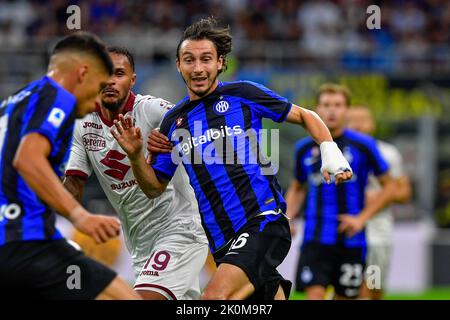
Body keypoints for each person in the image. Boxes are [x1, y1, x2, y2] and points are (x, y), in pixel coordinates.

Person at [111, 17, 353, 300]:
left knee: (212, 299)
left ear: (220, 63)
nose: (198, 68)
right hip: (222, 241)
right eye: (189, 60)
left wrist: (328, 148)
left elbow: (304, 115)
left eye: (206, 59)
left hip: (263, 222)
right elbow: (154, 187)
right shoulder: (173, 122)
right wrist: (136, 155)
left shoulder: (243, 94)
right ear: (178, 65)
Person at [0, 32, 140, 300]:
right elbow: (28, 159)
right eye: (99, 86)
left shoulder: (16, 100)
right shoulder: (57, 95)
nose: (99, 101)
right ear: (82, 73)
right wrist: (80, 216)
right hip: (27, 240)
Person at [64, 46, 209, 300]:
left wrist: (175, 142)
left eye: (118, 74)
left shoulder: (153, 111)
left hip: (180, 228)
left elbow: (199, 127)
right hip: (139, 242)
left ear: (132, 79)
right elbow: (72, 188)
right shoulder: (82, 124)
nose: (110, 81)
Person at [285, 83, 397, 300]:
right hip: (315, 237)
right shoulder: (303, 148)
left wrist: (362, 218)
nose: (332, 110)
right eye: (326, 105)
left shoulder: (364, 145)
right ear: (316, 109)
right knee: (314, 296)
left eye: (338, 105)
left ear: (347, 110)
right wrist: (288, 218)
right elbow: (298, 187)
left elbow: (391, 186)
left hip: (352, 239)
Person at [347, 105, 411, 300]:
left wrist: (380, 197)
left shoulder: (388, 153)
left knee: (375, 286)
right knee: (349, 287)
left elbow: (404, 192)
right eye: (352, 119)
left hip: (378, 230)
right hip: (347, 228)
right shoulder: (338, 152)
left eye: (363, 119)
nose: (358, 124)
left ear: (372, 124)